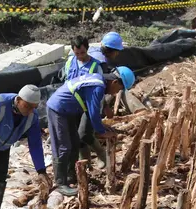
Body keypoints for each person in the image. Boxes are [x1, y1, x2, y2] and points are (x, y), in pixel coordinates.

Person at [45, 67, 135, 196]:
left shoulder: (98, 81)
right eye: (119, 89)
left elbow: (92, 112)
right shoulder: (98, 86)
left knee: (74, 142)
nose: (116, 93)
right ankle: (60, 183)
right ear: (115, 82)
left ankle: (71, 177)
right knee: (63, 146)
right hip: (58, 109)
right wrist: (102, 132)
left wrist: (102, 127)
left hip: (68, 110)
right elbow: (93, 113)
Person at [76, 32, 125, 170]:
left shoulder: (93, 53)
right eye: (117, 52)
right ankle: (100, 157)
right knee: (85, 133)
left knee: (82, 133)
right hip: (84, 99)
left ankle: (86, 163)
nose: (117, 55)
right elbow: (96, 88)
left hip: (80, 96)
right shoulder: (100, 62)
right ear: (111, 50)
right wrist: (104, 107)